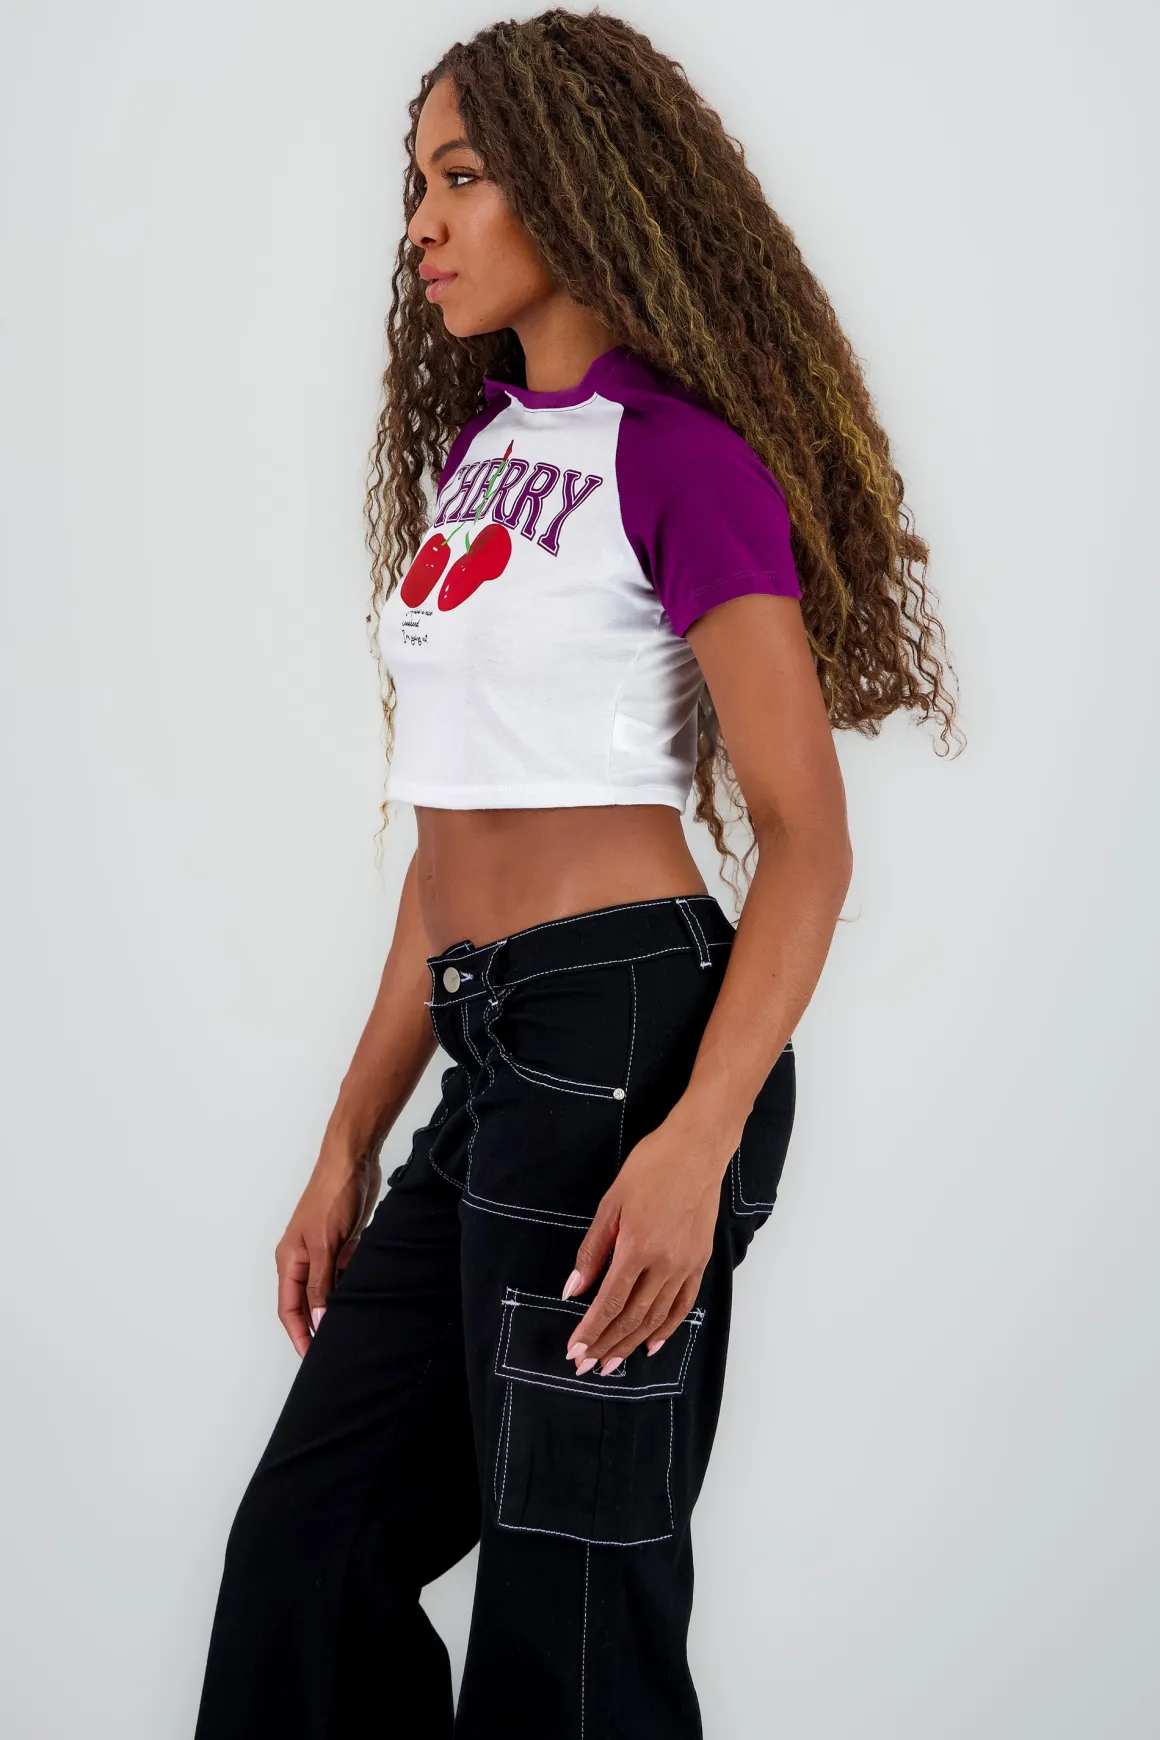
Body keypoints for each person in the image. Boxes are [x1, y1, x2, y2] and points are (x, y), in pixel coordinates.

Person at [193, 11, 958, 1738]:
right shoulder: (479, 453)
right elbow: (447, 853)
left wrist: (698, 1139)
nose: (423, 224)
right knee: (306, 1556)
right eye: (416, 186)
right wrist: (347, 1140)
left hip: (629, 1041)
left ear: (577, 182)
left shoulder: (679, 460)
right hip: (494, 1045)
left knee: (573, 1622)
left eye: (461, 178)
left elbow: (811, 844)